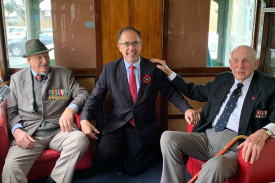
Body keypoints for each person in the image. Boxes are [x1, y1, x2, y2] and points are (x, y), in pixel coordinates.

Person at [79, 26, 200, 175]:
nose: (131, 48)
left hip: (142, 124)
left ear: (141, 44)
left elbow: (171, 92)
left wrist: (186, 108)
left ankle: (155, 147)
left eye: (135, 43)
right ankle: (127, 154)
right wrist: (84, 119)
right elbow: (94, 97)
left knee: (133, 170)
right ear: (119, 47)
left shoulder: (154, 68)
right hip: (118, 122)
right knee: (104, 155)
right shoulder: (109, 69)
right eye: (126, 44)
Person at [150, 45, 275, 183]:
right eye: (235, 60)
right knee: (168, 138)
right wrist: (169, 72)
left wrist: (263, 133)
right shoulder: (223, 79)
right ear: (230, 63)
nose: (240, 65)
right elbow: (194, 91)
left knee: (215, 165)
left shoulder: (268, 85)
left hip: (237, 148)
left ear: (255, 63)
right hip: (207, 137)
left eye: (246, 61)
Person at [2, 39, 90, 183]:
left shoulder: (64, 74)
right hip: (30, 134)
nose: (45, 61)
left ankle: (55, 180)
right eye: (39, 57)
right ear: (29, 60)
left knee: (80, 140)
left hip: (60, 130)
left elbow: (82, 93)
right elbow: (11, 111)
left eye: (47, 56)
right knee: (10, 168)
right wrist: (17, 132)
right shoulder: (17, 79)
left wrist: (70, 109)